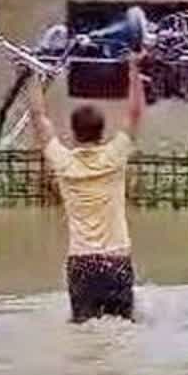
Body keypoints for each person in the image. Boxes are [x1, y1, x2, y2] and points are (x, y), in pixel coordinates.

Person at [27, 51, 145, 322]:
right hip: (116, 260)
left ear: (73, 132)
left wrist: (34, 73)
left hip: (82, 263)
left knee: (83, 333)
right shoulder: (114, 157)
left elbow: (37, 117)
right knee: (122, 332)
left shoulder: (64, 162)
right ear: (102, 132)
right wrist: (134, 70)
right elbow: (136, 112)